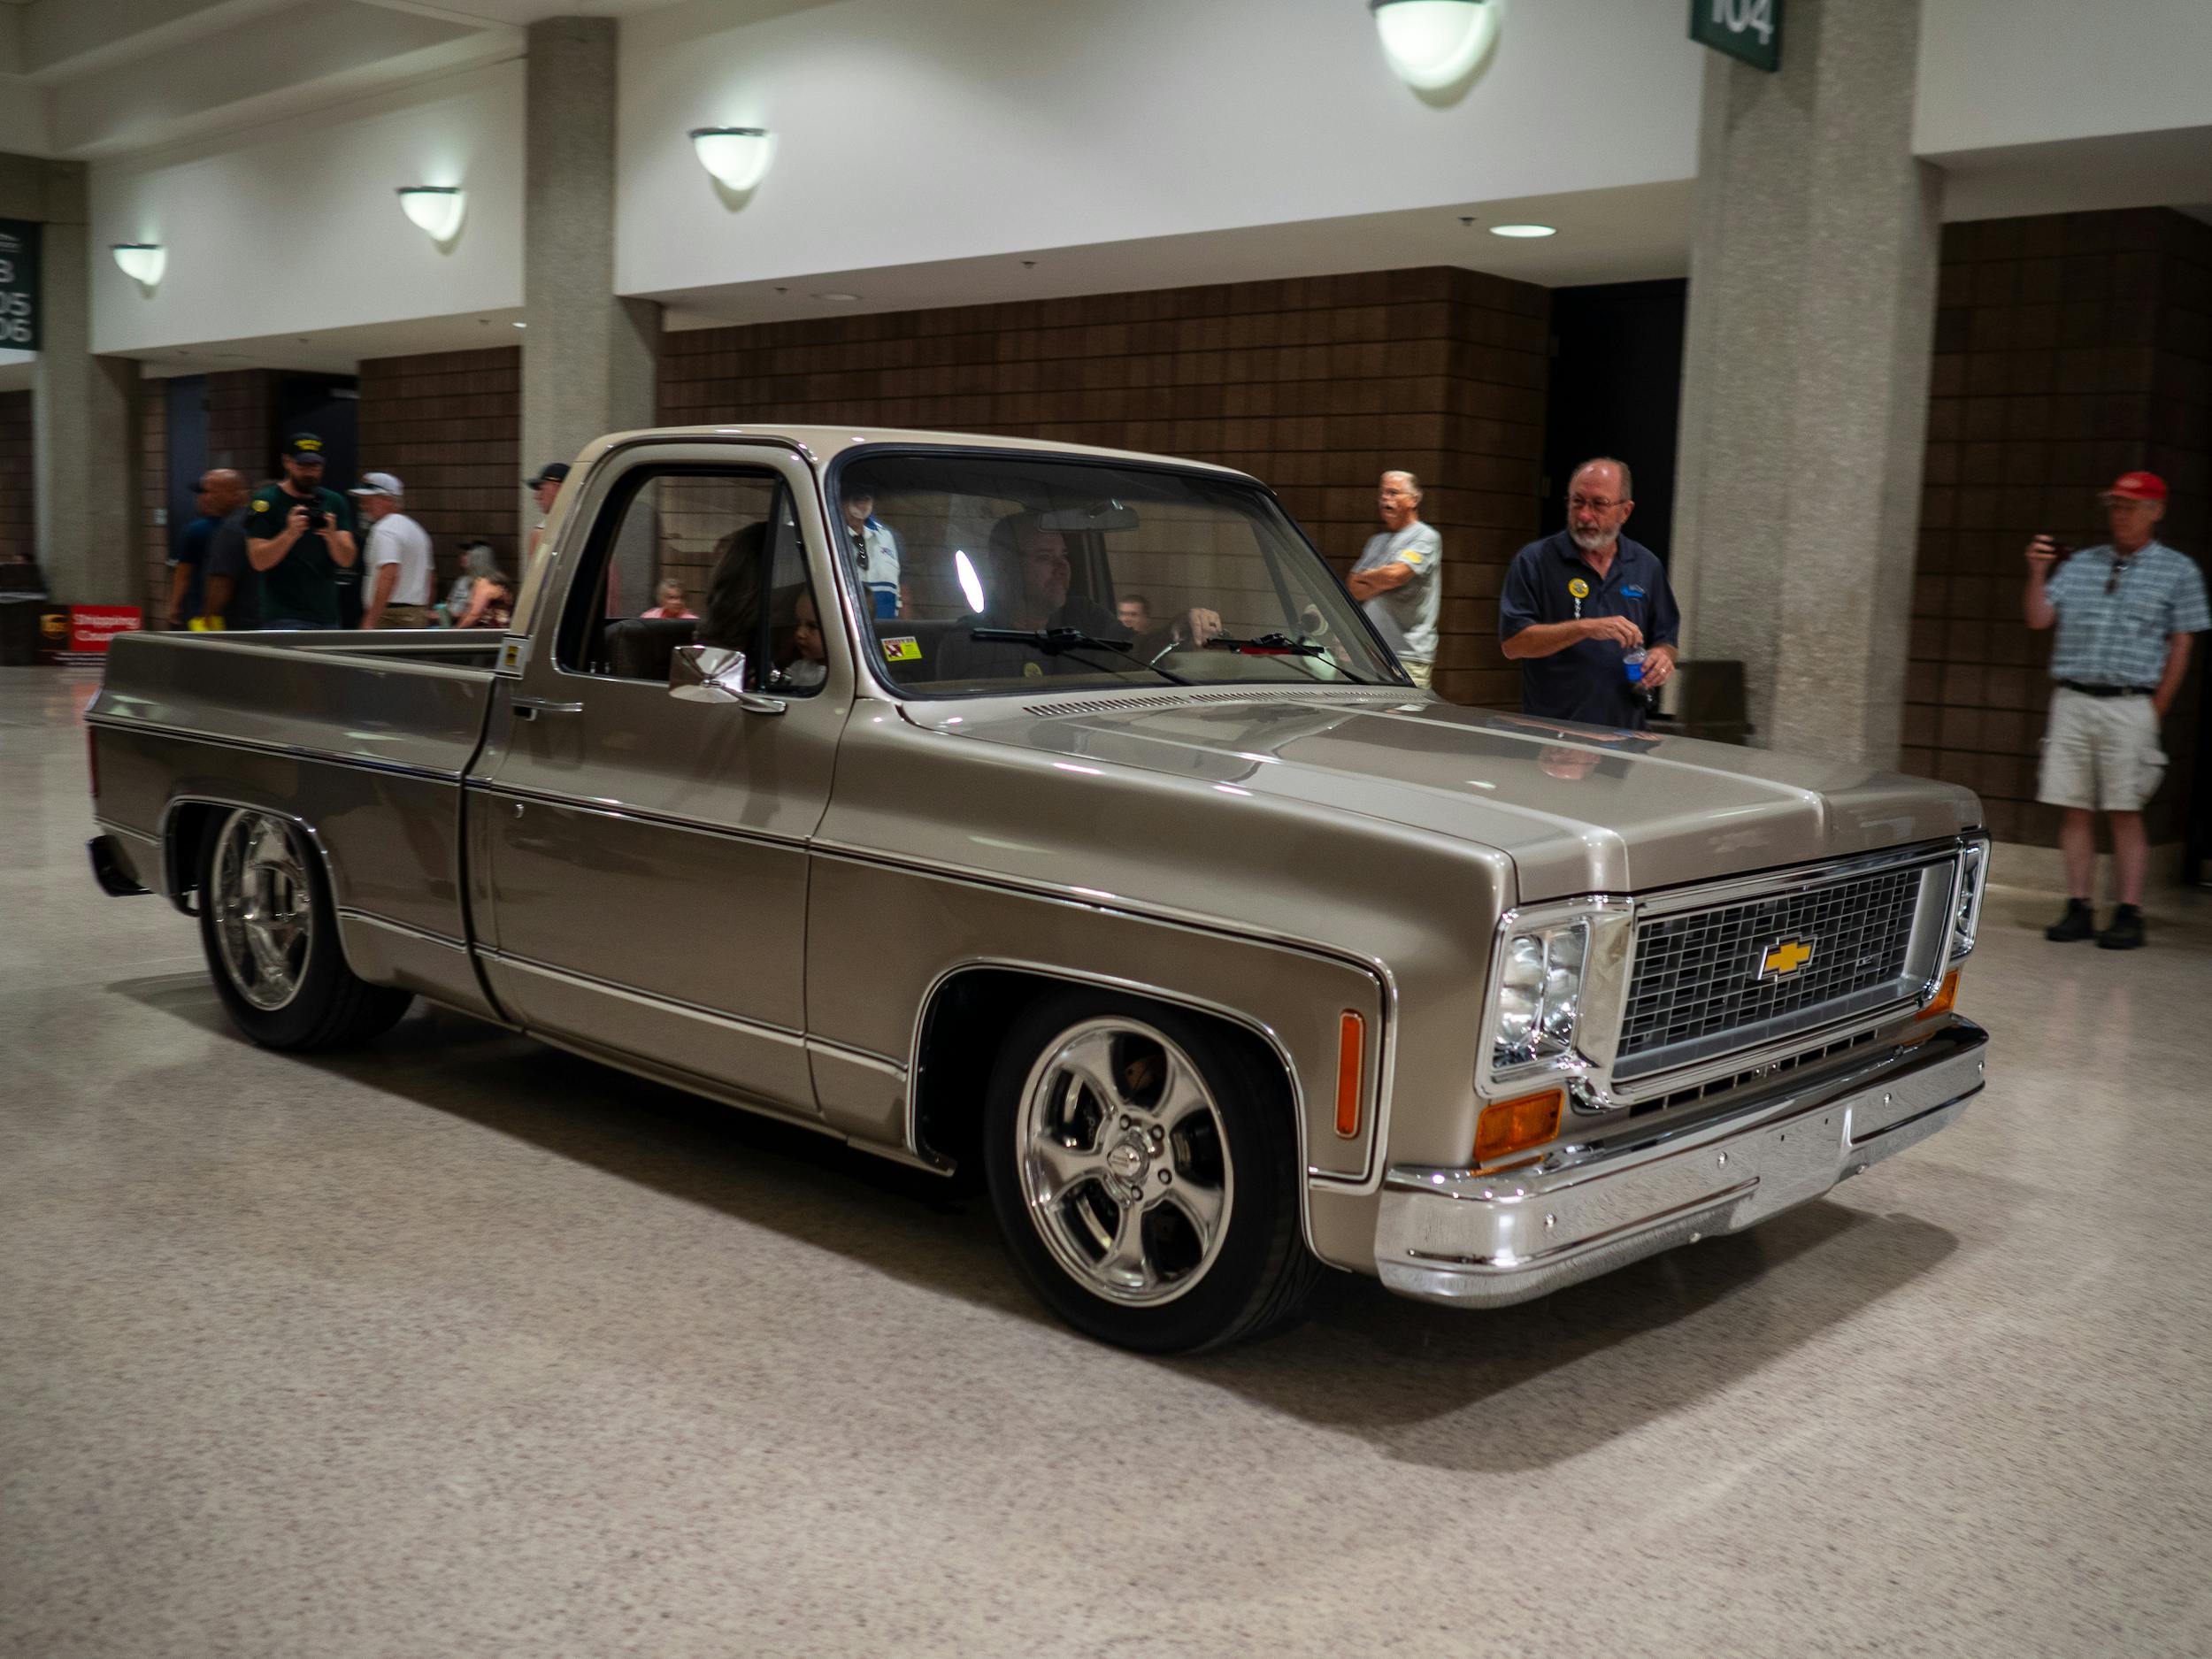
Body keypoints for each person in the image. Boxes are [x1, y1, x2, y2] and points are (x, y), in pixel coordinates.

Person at [2024, 471, 2209, 949]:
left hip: (2131, 702)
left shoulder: (2179, 570)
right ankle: (2078, 905)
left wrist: (2157, 709)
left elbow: (2182, 644)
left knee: (2126, 809)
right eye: (2114, 506)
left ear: (2156, 510)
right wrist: (2037, 572)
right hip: (2072, 698)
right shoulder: (2083, 564)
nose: (2119, 515)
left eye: (2130, 506)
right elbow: (2039, 617)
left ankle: (2129, 910)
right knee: (2075, 807)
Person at [1498, 457, 1679, 730]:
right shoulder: (1535, 561)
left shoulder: (1646, 565)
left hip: (1623, 738)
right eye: (1577, 502)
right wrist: (1585, 628)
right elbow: (1513, 644)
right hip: (1555, 740)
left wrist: (1662, 657)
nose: (1584, 515)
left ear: (1625, 512)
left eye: (1599, 504)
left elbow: (1666, 638)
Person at [933, 512, 1220, 681]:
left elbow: (1136, 654)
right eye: (1046, 557)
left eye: (1064, 556)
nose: (1062, 568)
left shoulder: (1082, 615)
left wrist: (1173, 630)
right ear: (1003, 566)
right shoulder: (969, 641)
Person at [244, 434, 357, 630]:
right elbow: (258, 561)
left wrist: (331, 536)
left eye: (315, 466)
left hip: (326, 614)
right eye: (303, 465)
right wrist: (290, 533)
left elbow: (347, 559)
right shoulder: (265, 502)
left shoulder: (334, 501)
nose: (309, 473)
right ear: (287, 462)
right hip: (282, 614)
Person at [1347, 471, 1442, 688]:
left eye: (1393, 493)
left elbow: (1397, 576)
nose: (1385, 500)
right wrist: (1381, 579)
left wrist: (1369, 577)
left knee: (1402, 721)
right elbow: (1353, 588)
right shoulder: (1376, 541)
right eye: (1382, 494)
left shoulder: (1425, 537)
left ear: (1413, 499)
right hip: (1372, 653)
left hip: (1407, 656)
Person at [349, 472, 436, 629]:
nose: (363, 505)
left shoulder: (384, 529)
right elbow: (430, 579)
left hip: (389, 616)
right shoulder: (417, 530)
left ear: (388, 499)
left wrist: (371, 620)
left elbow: (389, 573)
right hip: (416, 614)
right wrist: (424, 612)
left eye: (369, 499)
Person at [165, 470, 247, 628]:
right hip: (242, 613)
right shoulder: (250, 524)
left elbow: (183, 574)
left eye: (210, 492)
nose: (204, 498)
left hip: (206, 611)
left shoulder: (197, 530)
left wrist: (174, 607)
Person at [841, 486, 903, 618]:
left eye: (865, 498)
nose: (861, 505)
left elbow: (900, 598)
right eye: (857, 498)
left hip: (884, 635)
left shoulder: (887, 537)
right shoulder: (810, 533)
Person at [780, 588, 828, 688]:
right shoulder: (798, 667)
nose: (799, 633)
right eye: (798, 624)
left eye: (812, 626)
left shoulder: (842, 678)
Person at [525, 462, 570, 559]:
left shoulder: (542, 535)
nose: (537, 497)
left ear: (559, 488)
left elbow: (538, 573)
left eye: (542, 489)